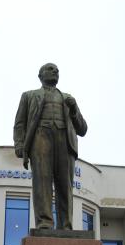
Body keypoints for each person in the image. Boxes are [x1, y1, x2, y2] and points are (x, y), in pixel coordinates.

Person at [13, 63, 87, 230]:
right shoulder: (29, 96)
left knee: (65, 184)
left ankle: (66, 226)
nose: (55, 71)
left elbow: (82, 129)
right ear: (40, 75)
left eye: (57, 70)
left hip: (64, 140)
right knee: (42, 181)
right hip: (40, 137)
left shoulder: (68, 98)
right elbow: (19, 123)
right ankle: (45, 223)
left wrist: (74, 108)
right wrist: (19, 144)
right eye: (50, 69)